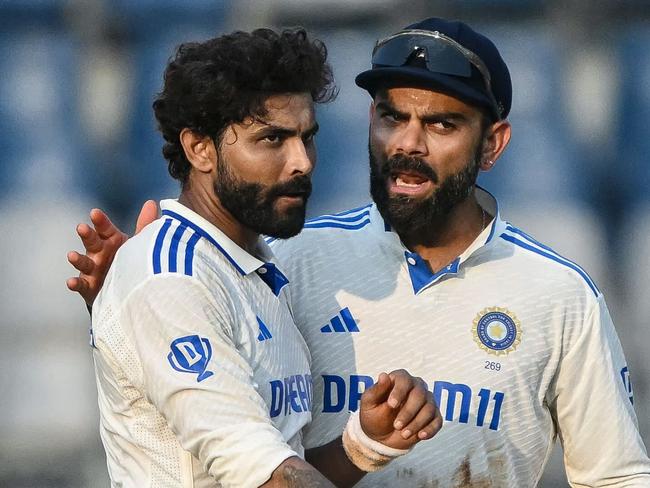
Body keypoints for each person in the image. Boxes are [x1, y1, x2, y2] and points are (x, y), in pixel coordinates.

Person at [69, 18, 650, 487]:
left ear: (492, 144)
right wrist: (133, 297)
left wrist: (364, 445)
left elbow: (616, 476)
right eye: (392, 118)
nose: (408, 144)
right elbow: (249, 459)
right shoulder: (290, 261)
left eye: (442, 125)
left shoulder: (560, 294)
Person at [75, 28, 443, 488]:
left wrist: (364, 443)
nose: (302, 162)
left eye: (307, 138)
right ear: (199, 148)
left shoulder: (255, 271)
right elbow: (267, 477)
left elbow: (282, 461)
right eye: (272, 140)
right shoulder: (171, 277)